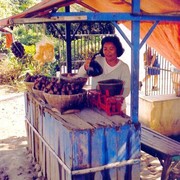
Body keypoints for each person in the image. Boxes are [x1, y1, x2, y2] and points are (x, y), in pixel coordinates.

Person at [78, 35, 131, 113]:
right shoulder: (97, 61)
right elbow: (80, 76)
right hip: (95, 107)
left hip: (116, 108)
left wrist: (114, 98)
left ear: (117, 49)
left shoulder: (124, 67)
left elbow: (126, 89)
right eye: (105, 49)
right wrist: (86, 67)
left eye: (111, 49)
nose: (108, 52)